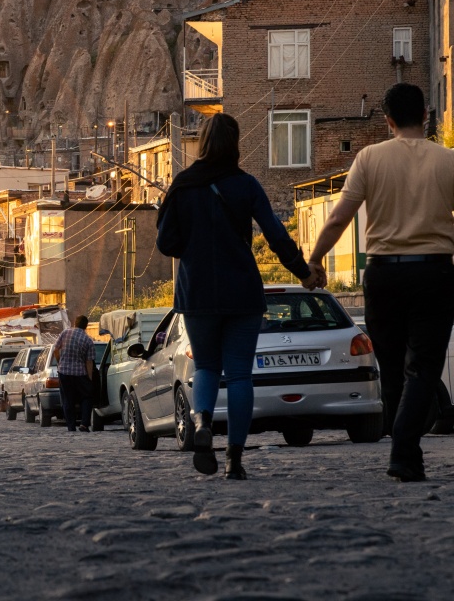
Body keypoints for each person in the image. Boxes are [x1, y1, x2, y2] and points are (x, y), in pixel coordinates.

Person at [156, 113, 322, 480]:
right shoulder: (246, 185)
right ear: (235, 145)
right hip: (242, 292)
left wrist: (195, 247)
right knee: (239, 376)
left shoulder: (182, 186)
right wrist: (303, 273)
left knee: (205, 367)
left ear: (202, 143)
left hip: (197, 293)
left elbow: (166, 242)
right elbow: (276, 235)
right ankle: (234, 459)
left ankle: (202, 423)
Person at [307, 84, 454, 483]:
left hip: (383, 274)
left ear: (388, 121)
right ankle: (405, 449)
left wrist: (315, 260)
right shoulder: (448, 160)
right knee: (424, 367)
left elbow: (338, 218)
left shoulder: (369, 158)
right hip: (435, 273)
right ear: (425, 115)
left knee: (390, 366)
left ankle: (404, 449)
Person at [52, 315, 96, 432]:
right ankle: (84, 424)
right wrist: (89, 378)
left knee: (67, 399)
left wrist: (60, 362)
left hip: (64, 372)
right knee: (86, 397)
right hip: (80, 373)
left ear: (75, 323)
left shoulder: (65, 333)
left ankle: (71, 426)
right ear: (86, 326)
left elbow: (56, 350)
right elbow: (89, 362)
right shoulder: (88, 340)